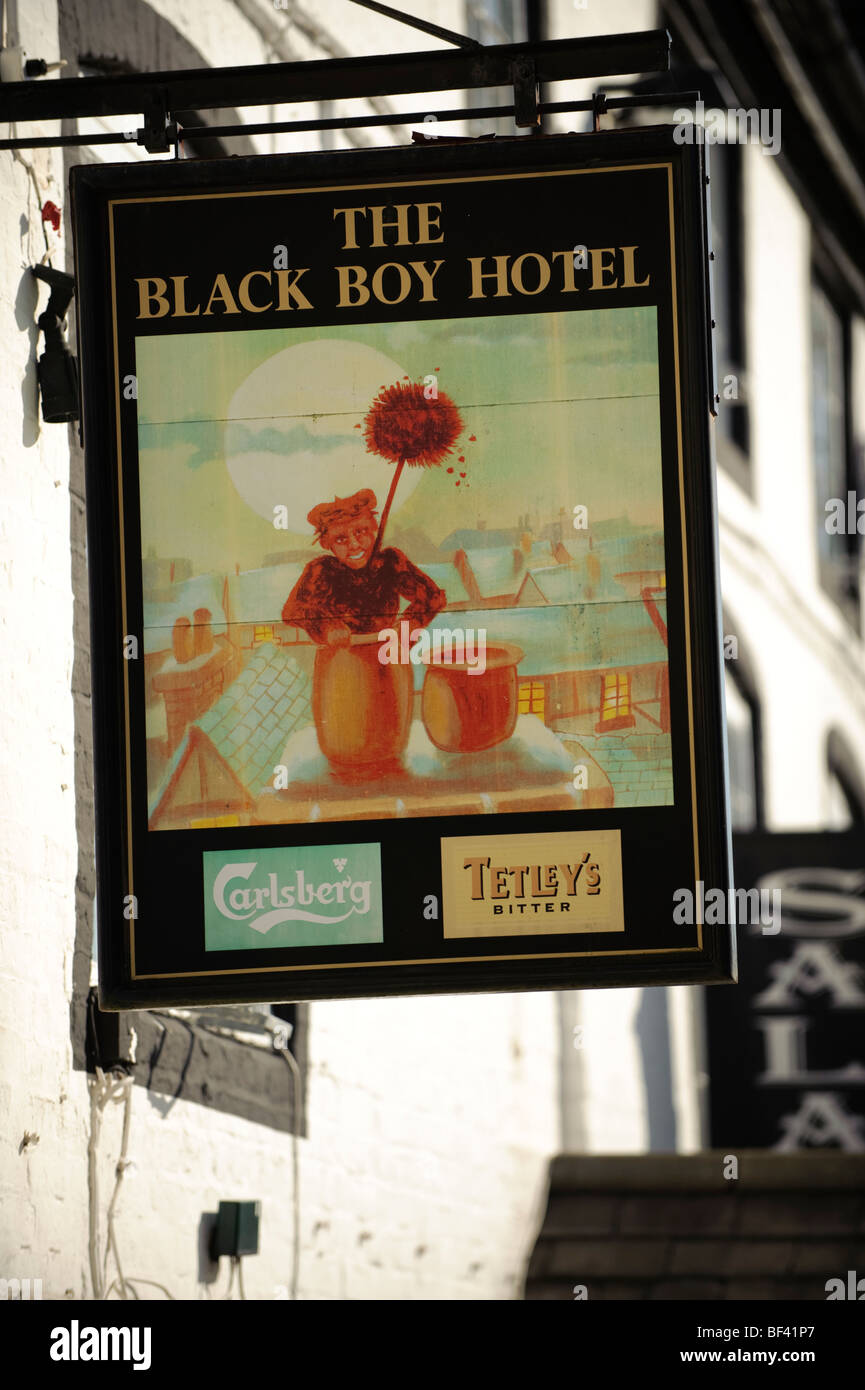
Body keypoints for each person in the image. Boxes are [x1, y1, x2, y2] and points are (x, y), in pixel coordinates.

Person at [281, 488, 446, 646]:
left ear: (373, 527)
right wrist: (327, 625)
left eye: (360, 532)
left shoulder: (389, 562)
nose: (354, 545)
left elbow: (433, 596)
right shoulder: (322, 569)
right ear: (327, 544)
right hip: (340, 659)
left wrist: (412, 622)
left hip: (387, 652)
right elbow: (291, 611)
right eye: (340, 540)